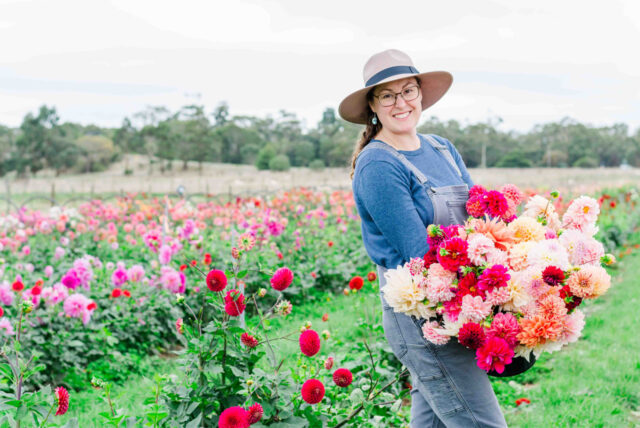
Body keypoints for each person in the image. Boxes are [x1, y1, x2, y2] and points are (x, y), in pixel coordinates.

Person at [340, 49, 507, 427]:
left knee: (431, 420)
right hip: (422, 316)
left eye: (409, 90)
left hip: (457, 302)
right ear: (372, 105)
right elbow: (419, 254)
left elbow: (481, 217)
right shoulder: (379, 164)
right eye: (387, 95)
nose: (401, 103)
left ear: (420, 94)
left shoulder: (441, 148)